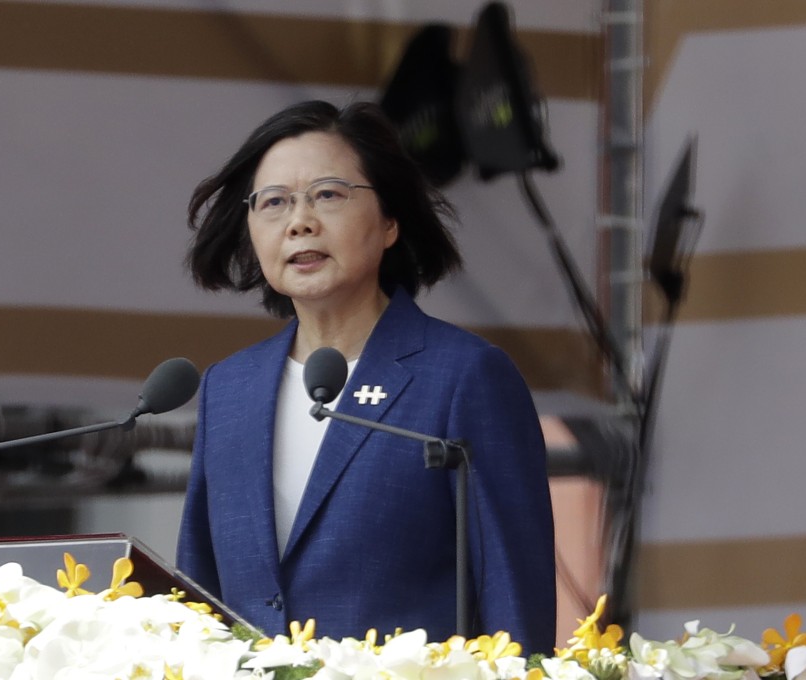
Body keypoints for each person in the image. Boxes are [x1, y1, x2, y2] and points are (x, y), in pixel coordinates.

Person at [176, 99, 555, 653]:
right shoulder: (228, 389)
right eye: (275, 202)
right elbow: (197, 598)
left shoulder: (463, 376)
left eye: (328, 195)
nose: (299, 220)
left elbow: (514, 599)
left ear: (390, 222)